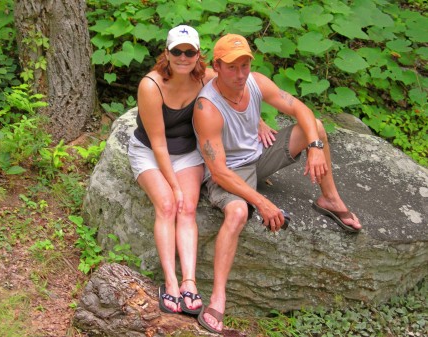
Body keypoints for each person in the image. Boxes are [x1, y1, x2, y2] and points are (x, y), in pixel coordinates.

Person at [193, 34, 362, 334]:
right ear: (217, 66)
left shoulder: (256, 82)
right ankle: (218, 298)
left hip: (258, 157)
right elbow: (218, 172)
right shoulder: (208, 107)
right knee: (237, 214)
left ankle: (331, 199)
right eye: (233, 67)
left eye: (245, 65)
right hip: (229, 170)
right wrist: (261, 201)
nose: (241, 74)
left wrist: (314, 145)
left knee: (317, 128)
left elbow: (300, 109)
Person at [127, 25, 215, 315]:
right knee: (167, 205)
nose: (183, 57)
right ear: (167, 53)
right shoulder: (151, 85)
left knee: (187, 209)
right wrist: (174, 186)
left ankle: (190, 282)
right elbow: (158, 143)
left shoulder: (205, 77)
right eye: (177, 51)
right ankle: (171, 283)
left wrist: (259, 121)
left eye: (189, 52)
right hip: (150, 153)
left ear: (198, 54)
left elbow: (241, 85)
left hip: (188, 153)